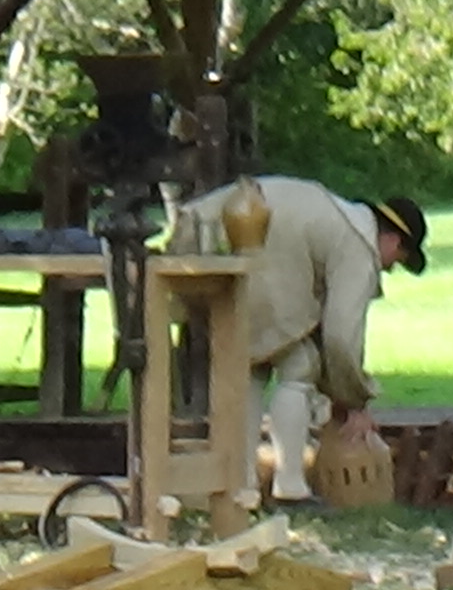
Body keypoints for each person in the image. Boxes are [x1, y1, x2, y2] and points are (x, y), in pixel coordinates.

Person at [172, 175, 428, 503]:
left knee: (253, 367)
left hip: (202, 234)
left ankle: (242, 483)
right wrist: (354, 400)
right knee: (299, 364)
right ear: (393, 241)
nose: (391, 269)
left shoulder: (335, 216)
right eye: (399, 260)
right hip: (243, 244)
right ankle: (290, 486)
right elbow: (340, 336)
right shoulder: (359, 248)